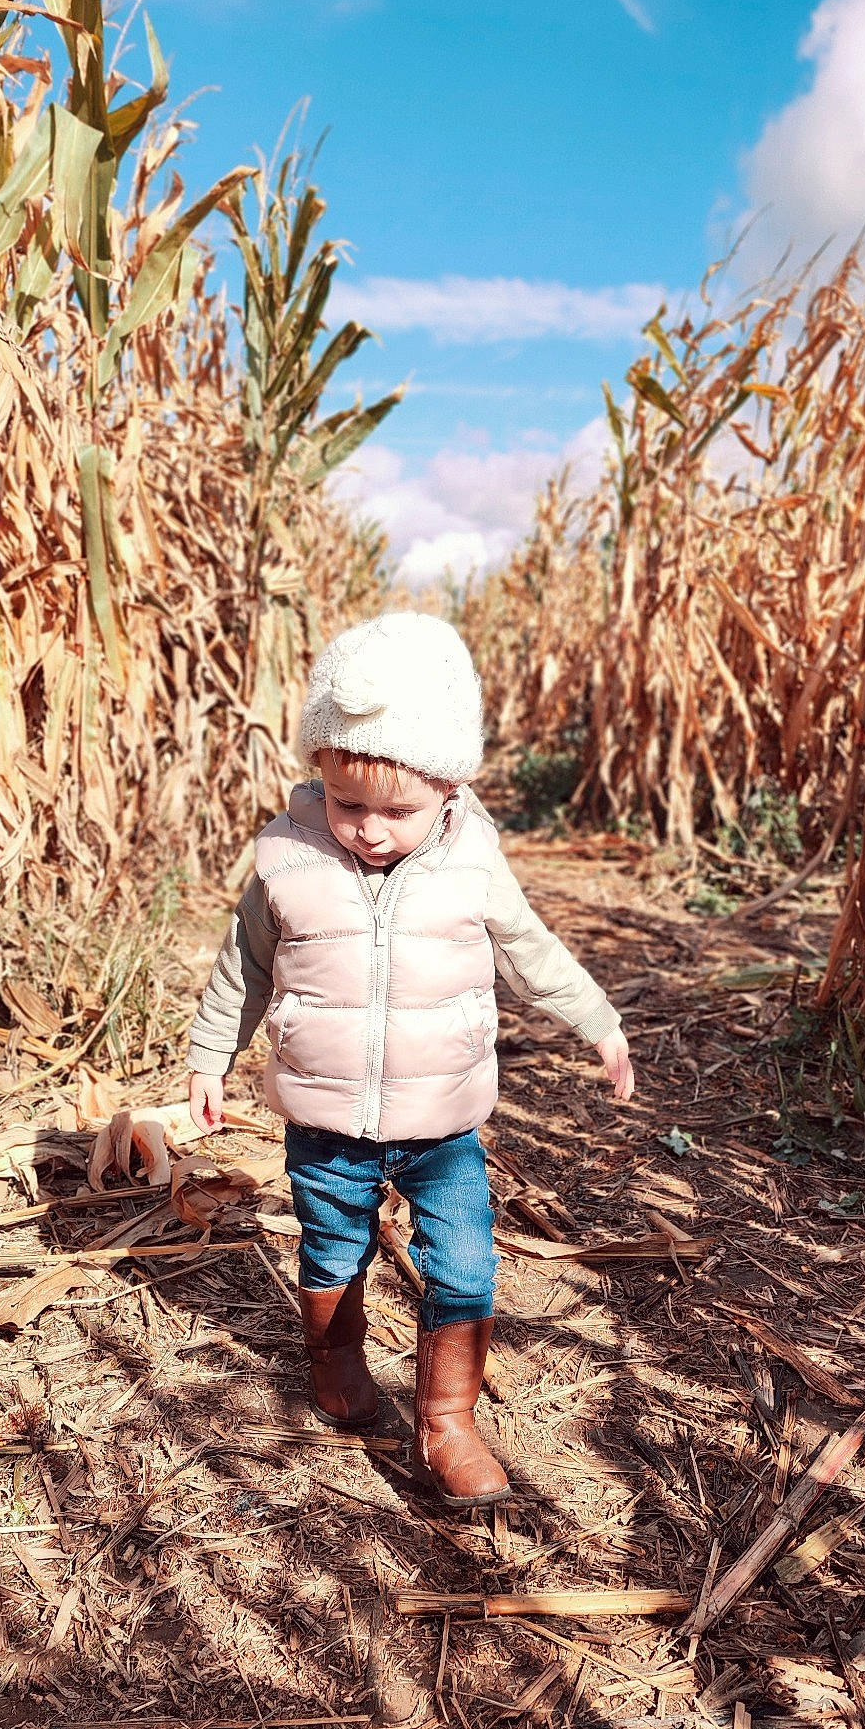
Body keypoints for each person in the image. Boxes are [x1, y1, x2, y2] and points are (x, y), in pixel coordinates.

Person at [186, 612, 634, 1508]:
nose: (371, 831)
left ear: (450, 786)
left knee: (465, 1263)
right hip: (327, 1123)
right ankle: (337, 1366)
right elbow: (245, 966)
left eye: (399, 812)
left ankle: (447, 1421)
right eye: (348, 804)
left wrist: (598, 1021)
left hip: (441, 1125)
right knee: (332, 1251)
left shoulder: (470, 863)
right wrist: (209, 1056)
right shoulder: (287, 859)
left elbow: (531, 950)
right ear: (320, 773)